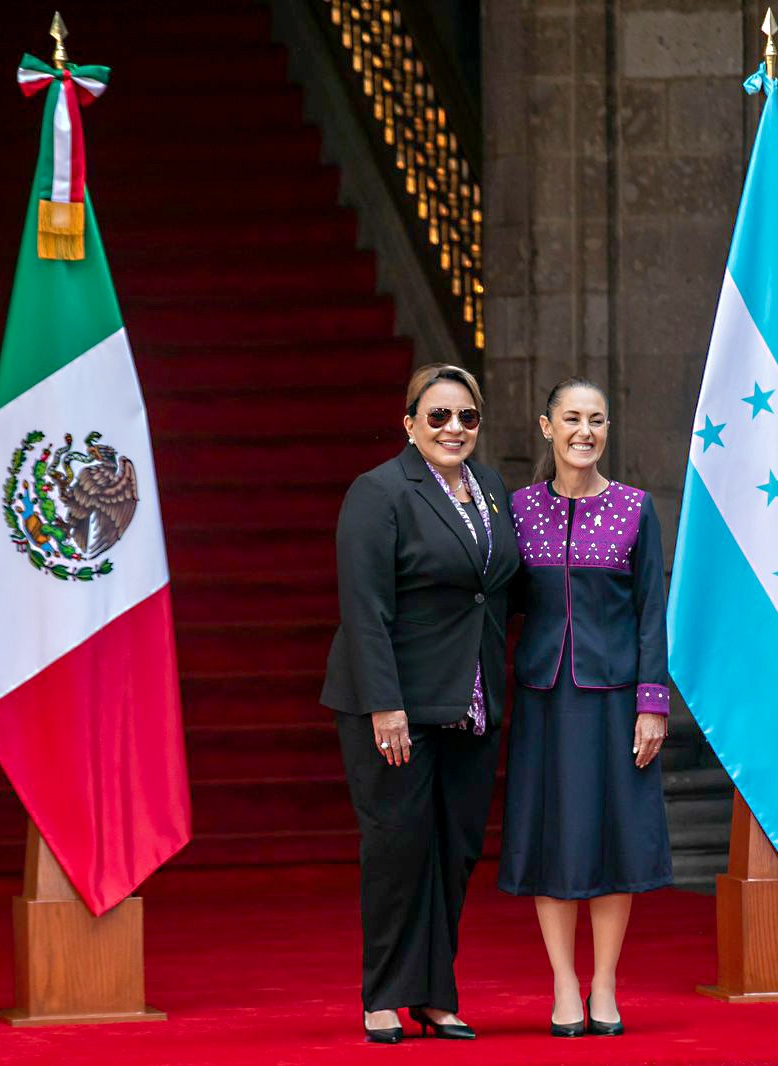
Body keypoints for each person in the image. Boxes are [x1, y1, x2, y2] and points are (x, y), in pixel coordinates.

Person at [321, 363, 522, 1044]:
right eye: (438, 415)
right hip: (396, 704)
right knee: (398, 850)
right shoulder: (378, 491)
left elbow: (495, 590)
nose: (453, 428)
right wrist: (386, 705)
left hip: (472, 699)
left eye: (467, 416)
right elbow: (365, 609)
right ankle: (384, 995)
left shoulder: (490, 488)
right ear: (410, 423)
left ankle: (436, 995)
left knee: (455, 851)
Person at [498, 377, 673, 1038]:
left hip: (616, 702)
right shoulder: (517, 510)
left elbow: (652, 612)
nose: (584, 432)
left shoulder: (635, 508)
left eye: (596, 420)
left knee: (614, 838)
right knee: (553, 839)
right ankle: (563, 984)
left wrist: (652, 704)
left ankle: (604, 982)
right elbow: (497, 602)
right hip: (543, 700)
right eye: (571, 418)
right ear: (547, 427)